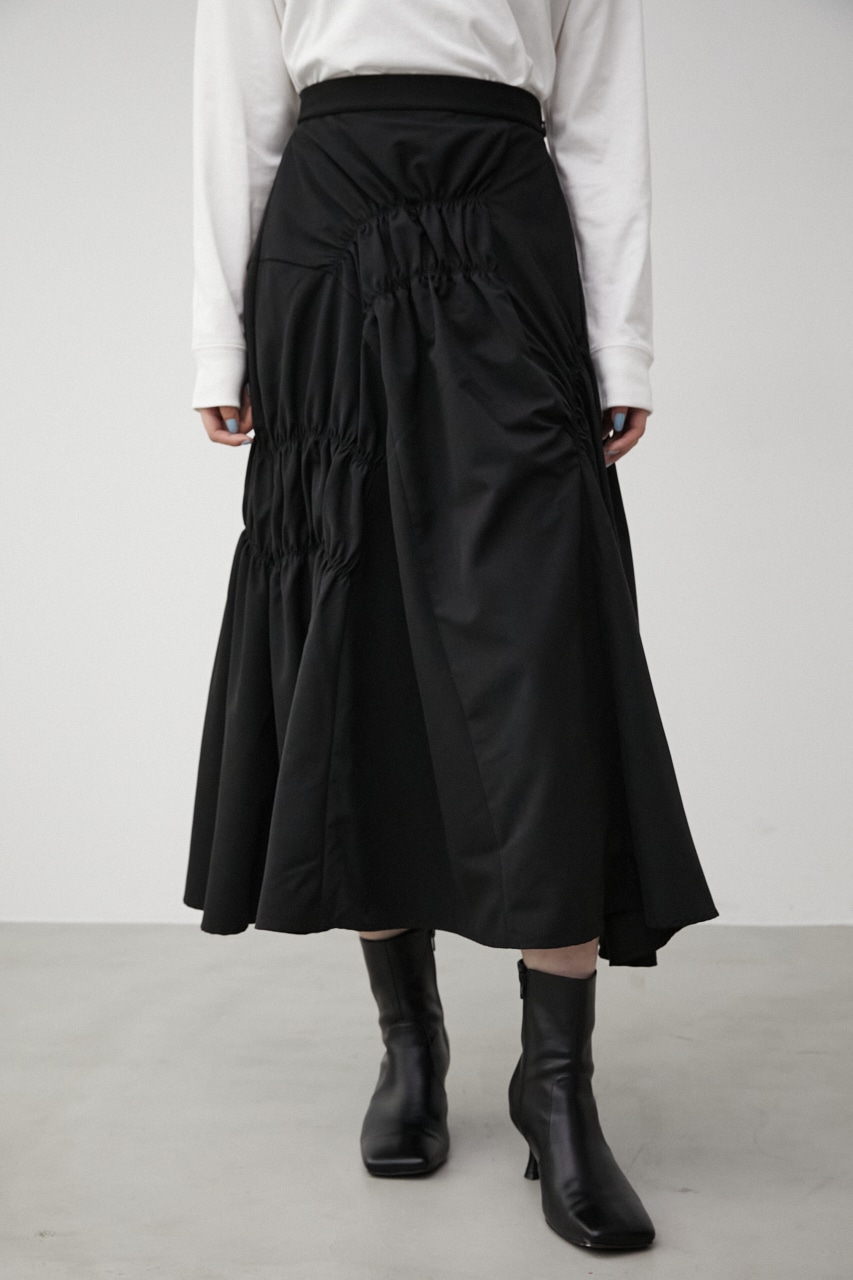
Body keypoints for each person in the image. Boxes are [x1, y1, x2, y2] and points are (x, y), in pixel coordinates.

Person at [184, 0, 719, 1252]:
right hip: (328, 237)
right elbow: (238, 111)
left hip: (505, 225)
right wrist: (219, 337)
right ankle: (408, 1044)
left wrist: (622, 345)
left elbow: (599, 118)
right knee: (357, 638)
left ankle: (558, 1087)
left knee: (540, 654)